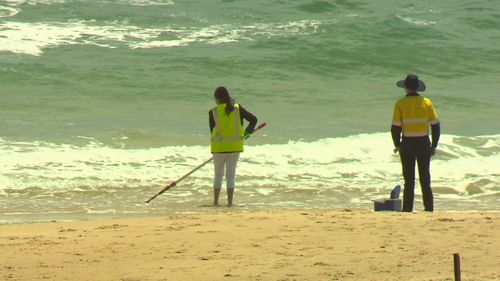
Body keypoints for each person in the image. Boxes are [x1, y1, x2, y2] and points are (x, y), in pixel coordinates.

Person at [391, 74, 441, 212]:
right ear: (418, 87)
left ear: (406, 87)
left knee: (409, 181)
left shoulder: (400, 104)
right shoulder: (426, 103)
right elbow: (436, 125)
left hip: (407, 144)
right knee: (425, 179)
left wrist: (397, 144)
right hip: (423, 143)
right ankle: (429, 209)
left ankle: (407, 209)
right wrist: (434, 145)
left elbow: (395, 127)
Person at [209, 86, 257, 206]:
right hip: (235, 147)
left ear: (218, 99)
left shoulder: (213, 112)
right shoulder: (237, 109)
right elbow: (253, 120)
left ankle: (216, 202)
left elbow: (212, 131)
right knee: (230, 175)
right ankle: (230, 203)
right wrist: (247, 133)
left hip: (218, 149)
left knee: (218, 175)